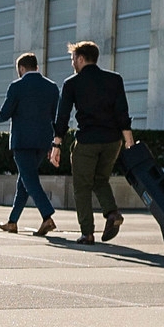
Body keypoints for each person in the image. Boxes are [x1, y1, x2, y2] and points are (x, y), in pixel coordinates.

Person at [51, 41, 134, 245]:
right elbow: (122, 112)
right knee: (100, 179)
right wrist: (129, 140)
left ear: (80, 59)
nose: (72, 64)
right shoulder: (115, 80)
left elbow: (62, 116)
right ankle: (112, 213)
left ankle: (87, 233)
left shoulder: (72, 83)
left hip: (87, 141)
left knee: (82, 186)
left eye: (73, 59)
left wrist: (56, 144)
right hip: (112, 141)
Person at [0, 53, 59, 236]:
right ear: (36, 67)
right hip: (43, 142)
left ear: (21, 69)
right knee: (24, 181)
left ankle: (47, 216)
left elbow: (5, 114)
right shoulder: (52, 87)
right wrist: (54, 143)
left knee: (30, 181)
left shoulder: (17, 86)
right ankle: (12, 221)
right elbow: (54, 117)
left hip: (22, 142)